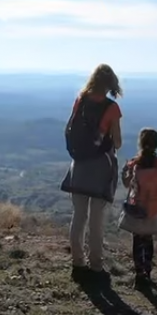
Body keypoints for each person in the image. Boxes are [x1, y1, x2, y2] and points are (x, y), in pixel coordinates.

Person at [61, 64, 123, 282]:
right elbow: (117, 141)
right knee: (97, 219)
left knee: (79, 216)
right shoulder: (112, 108)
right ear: (110, 84)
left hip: (78, 165)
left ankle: (78, 262)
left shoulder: (80, 99)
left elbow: (70, 128)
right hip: (101, 168)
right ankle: (96, 265)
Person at [120, 128, 157, 289]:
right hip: (154, 207)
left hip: (137, 207)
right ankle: (147, 272)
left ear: (140, 143)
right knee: (148, 240)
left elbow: (127, 184)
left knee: (137, 240)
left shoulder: (135, 163)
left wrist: (124, 172)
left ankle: (139, 274)